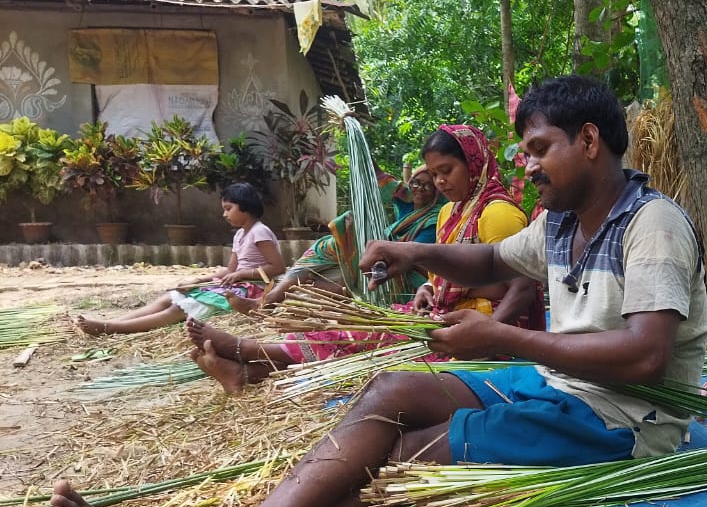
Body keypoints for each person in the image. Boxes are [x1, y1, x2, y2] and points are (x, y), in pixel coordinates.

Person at [51, 75, 707, 507]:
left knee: (401, 457)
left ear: (589, 141)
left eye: (539, 148)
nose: (527, 164)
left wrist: (502, 337)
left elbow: (645, 355)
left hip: (627, 421)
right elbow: (485, 262)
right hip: (561, 387)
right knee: (391, 388)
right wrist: (410, 249)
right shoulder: (564, 224)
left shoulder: (652, 226)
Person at [186, 124, 540, 394]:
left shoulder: (498, 213)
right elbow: (445, 273)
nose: (440, 181)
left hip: (487, 325)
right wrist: (427, 291)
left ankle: (247, 350)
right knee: (362, 326)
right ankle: (248, 371)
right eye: (434, 174)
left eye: (447, 170)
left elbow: (522, 289)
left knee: (385, 351)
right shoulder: (451, 211)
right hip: (446, 315)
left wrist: (492, 339)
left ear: (474, 162)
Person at [75, 183, 285, 336]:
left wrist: (242, 274)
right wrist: (198, 281)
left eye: (228, 208)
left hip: (252, 290)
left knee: (180, 308)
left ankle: (111, 329)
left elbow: (277, 267)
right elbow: (229, 271)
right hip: (237, 284)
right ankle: (111, 322)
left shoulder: (260, 232)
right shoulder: (240, 234)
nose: (224, 214)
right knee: (171, 296)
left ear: (245, 207)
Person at [248, 162, 445, 312]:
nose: (419, 188)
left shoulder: (435, 218)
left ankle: (271, 302)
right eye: (416, 182)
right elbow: (378, 175)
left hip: (403, 280)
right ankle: (271, 300)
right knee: (330, 255)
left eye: (428, 186)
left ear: (437, 192)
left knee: (341, 261)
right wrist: (355, 130)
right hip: (378, 266)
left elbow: (410, 255)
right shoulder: (406, 202)